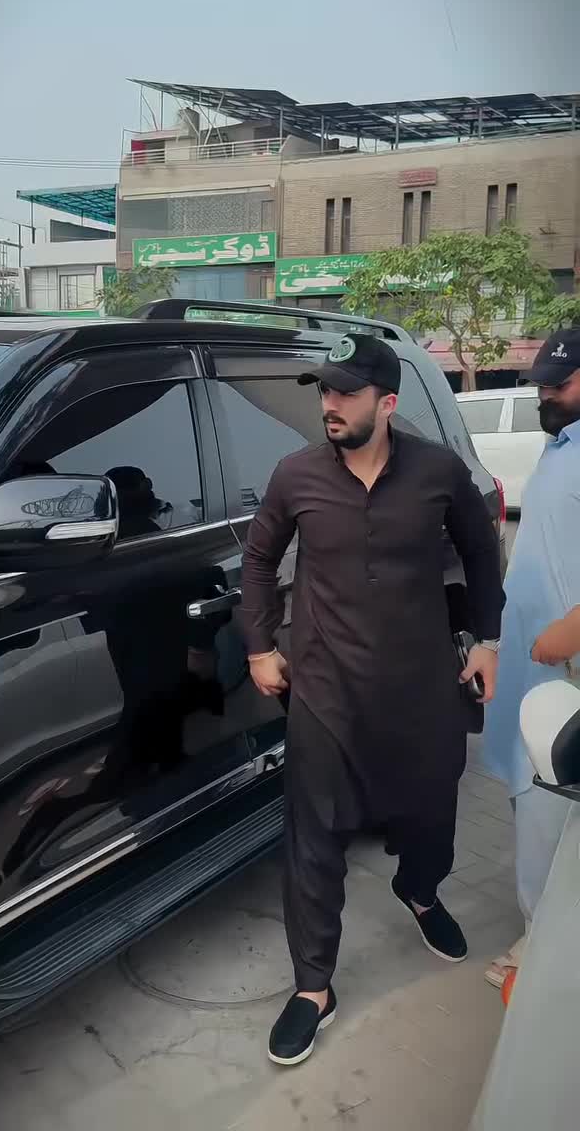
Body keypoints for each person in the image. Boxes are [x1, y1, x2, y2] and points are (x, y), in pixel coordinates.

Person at [240, 333, 504, 1066]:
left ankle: (419, 891)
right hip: (326, 688)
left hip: (422, 683)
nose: (330, 404)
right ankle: (313, 987)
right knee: (314, 836)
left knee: (432, 811)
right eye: (324, 391)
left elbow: (481, 552)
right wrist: (259, 645)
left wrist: (488, 639)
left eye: (345, 393)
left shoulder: (438, 471)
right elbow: (259, 560)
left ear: (386, 404)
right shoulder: (296, 475)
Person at [483, 329, 580, 988]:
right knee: (533, 793)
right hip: (529, 664)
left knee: (552, 803)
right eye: (542, 382)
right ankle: (543, 925)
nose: (547, 394)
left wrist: (574, 627)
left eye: (560, 384)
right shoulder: (559, 444)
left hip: (566, 670)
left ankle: (544, 947)